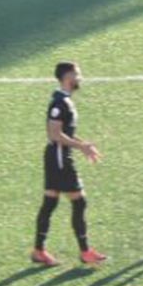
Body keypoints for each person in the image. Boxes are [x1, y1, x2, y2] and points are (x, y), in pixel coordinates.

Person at [31, 62, 106, 267]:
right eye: (77, 74)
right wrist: (80, 147)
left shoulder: (65, 100)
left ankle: (39, 250)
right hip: (59, 158)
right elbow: (54, 134)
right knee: (78, 202)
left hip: (59, 156)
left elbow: (66, 133)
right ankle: (85, 251)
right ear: (67, 77)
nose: (80, 77)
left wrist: (83, 145)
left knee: (50, 203)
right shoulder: (59, 103)